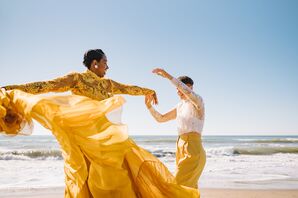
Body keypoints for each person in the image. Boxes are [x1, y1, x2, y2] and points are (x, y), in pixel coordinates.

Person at [0, 50, 200, 198]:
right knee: (86, 178)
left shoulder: (108, 83)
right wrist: (11, 88)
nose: (107, 66)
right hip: (83, 139)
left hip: (107, 138)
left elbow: (127, 88)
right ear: (94, 63)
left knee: (121, 177)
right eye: (105, 62)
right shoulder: (76, 78)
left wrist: (147, 90)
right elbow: (46, 86)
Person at [145, 68, 206, 189]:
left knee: (175, 187)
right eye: (181, 88)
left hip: (193, 150)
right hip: (180, 148)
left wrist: (167, 76)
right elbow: (161, 118)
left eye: (188, 88)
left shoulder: (198, 102)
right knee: (187, 190)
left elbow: (187, 92)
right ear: (177, 90)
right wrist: (149, 107)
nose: (185, 90)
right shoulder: (179, 106)